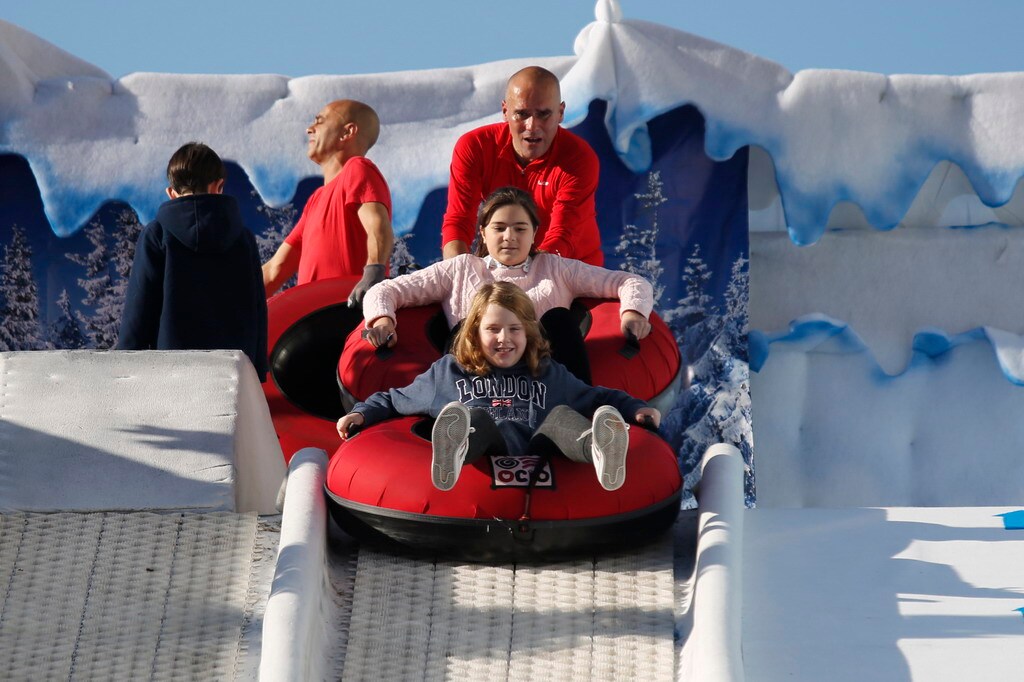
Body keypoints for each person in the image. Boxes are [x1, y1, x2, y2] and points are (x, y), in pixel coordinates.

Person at [337, 282, 661, 491]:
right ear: (475, 332)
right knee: (471, 419)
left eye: (514, 329)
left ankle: (598, 448)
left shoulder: (545, 371)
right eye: (493, 329)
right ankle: (454, 447)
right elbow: (396, 400)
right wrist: (362, 414)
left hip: (539, 455)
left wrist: (635, 409)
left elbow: (596, 397)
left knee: (561, 416)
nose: (504, 339)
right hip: (485, 456)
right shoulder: (449, 372)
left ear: (529, 333)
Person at [362, 186, 652, 383]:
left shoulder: (556, 268)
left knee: (558, 320)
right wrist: (383, 320)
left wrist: (633, 313)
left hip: (543, 385)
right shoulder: (459, 268)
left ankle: (581, 417)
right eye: (499, 228)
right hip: (477, 384)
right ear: (483, 233)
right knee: (471, 323)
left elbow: (627, 281)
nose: (509, 237)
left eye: (520, 228)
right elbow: (385, 289)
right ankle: (460, 425)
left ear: (534, 233)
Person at [118, 142, 268, 380]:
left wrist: (123, 365)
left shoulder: (157, 234)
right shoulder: (243, 238)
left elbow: (140, 308)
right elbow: (258, 308)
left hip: (173, 376)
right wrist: (257, 371)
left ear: (171, 193)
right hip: (232, 376)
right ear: (219, 186)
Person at [441, 66, 602, 265]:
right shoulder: (475, 147)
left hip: (572, 269)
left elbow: (561, 236)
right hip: (501, 269)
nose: (532, 126)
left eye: (544, 114)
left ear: (560, 113)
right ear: (505, 112)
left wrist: (519, 279)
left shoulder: (579, 157)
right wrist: (457, 271)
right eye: (521, 114)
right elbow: (459, 220)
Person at [262, 99, 394, 307]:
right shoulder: (315, 199)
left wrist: (373, 274)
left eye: (319, 121)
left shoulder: (358, 169)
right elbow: (275, 269)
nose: (309, 129)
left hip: (344, 315)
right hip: (309, 321)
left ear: (347, 133)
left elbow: (378, 227)